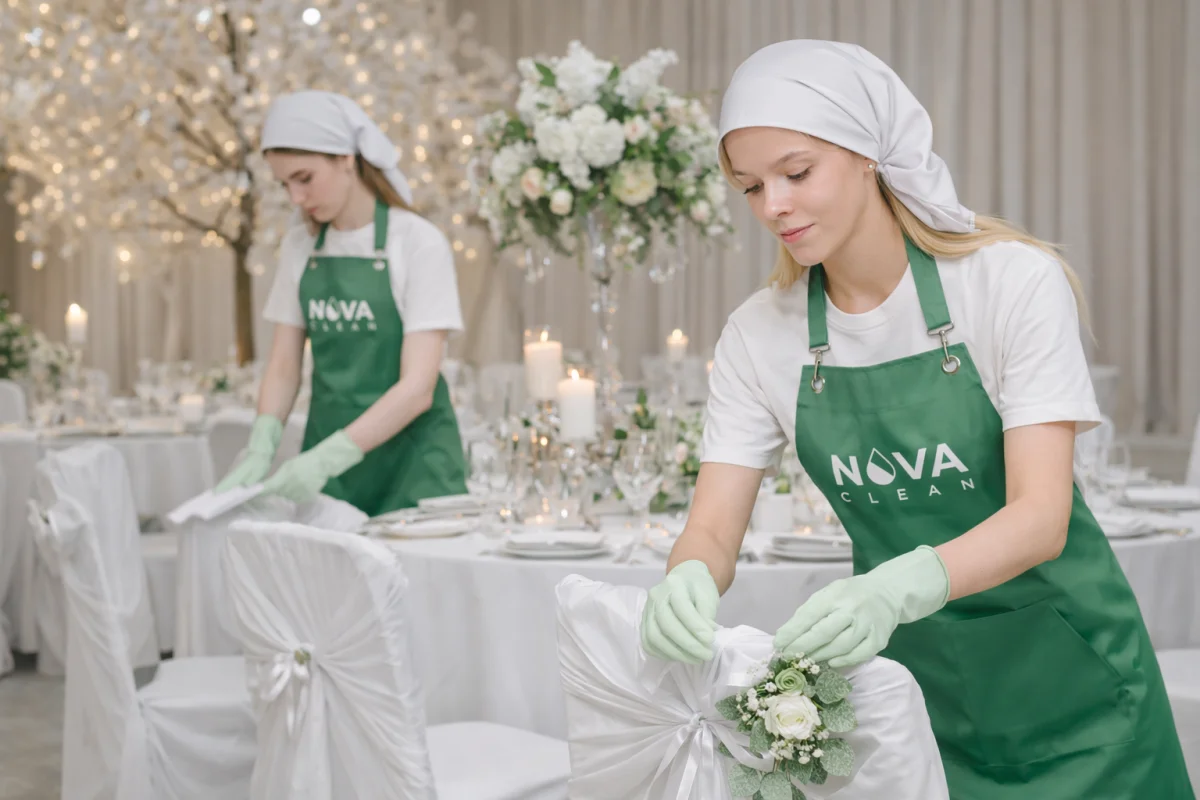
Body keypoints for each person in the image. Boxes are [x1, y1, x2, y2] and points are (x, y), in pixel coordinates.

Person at [639, 40, 1193, 797]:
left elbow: (1041, 518)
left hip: (1079, 693)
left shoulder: (1008, 283)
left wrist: (892, 589)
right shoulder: (758, 335)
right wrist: (688, 576)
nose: (773, 206)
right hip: (911, 696)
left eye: (797, 173)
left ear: (869, 152)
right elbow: (711, 529)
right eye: (751, 187)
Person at [215, 91, 468, 515]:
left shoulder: (418, 242)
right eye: (285, 184)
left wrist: (328, 458)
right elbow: (284, 367)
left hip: (415, 468)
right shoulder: (301, 246)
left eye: (304, 178)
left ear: (346, 159)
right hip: (336, 474)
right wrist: (262, 443)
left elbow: (417, 389)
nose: (296, 198)